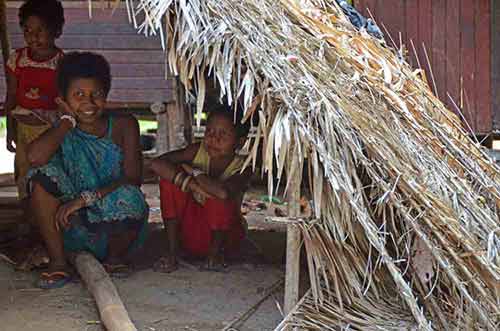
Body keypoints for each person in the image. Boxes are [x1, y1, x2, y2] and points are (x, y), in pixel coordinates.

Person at [27, 52, 149, 289]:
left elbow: (133, 178)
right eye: (78, 95)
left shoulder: (125, 125)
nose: (89, 103)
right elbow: (34, 158)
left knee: (131, 197)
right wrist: (66, 121)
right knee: (40, 179)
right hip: (71, 225)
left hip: (115, 226)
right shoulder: (62, 129)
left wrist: (85, 199)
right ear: (63, 99)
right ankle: (59, 261)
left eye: (97, 95)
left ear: (107, 95)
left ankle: (115, 259)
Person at [151, 106, 252, 273]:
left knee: (217, 197)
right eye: (210, 131)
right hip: (189, 233)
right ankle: (172, 252)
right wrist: (191, 184)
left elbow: (223, 193)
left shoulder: (243, 168)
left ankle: (214, 256)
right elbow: (156, 164)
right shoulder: (196, 151)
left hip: (225, 239)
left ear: (240, 141)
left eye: (223, 134)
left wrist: (195, 172)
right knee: (170, 183)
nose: (214, 138)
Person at [4, 0, 65, 200]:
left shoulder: (62, 63)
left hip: (50, 131)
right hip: (23, 130)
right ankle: (28, 217)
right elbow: (12, 95)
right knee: (23, 174)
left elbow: (65, 102)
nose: (33, 36)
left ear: (56, 31)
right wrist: (10, 129)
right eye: (28, 30)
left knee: (50, 174)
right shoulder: (17, 59)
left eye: (41, 30)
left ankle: (49, 218)